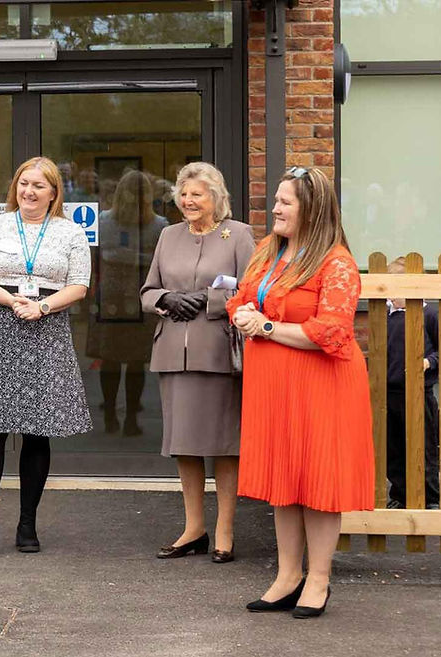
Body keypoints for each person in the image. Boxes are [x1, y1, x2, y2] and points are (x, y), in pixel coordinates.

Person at [229, 166, 374, 618]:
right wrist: (242, 315)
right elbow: (240, 297)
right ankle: (287, 576)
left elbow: (332, 332)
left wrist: (266, 325)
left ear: (311, 209)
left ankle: (319, 579)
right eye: (275, 199)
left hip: (322, 385)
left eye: (284, 202)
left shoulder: (336, 263)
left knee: (317, 482)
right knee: (283, 480)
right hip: (273, 384)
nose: (274, 208)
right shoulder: (268, 250)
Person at [0, 156, 92, 557]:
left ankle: (27, 525)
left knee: (38, 430)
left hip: (47, 328)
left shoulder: (70, 232)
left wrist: (43, 307)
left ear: (54, 193)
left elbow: (80, 284)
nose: (29, 192)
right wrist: (11, 300)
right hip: (1, 328)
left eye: (38, 185)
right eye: (23, 183)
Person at [140, 162, 254, 563]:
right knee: (183, 443)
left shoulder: (238, 234)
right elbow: (148, 290)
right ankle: (194, 528)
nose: (188, 201)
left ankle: (225, 528)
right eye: (184, 194)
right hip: (172, 349)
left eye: (197, 195)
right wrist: (165, 299)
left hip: (218, 352)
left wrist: (209, 301)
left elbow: (252, 289)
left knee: (224, 444)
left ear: (215, 197)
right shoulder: (168, 235)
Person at [88, 169, 169, 436]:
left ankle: (114, 415)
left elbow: (98, 257)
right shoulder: (159, 225)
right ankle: (127, 417)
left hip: (116, 294)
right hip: (137, 295)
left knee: (115, 359)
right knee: (130, 360)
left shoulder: (105, 221)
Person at [385, 256, 441, 510]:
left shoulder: (430, 314)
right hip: (390, 392)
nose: (389, 295)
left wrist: (429, 361)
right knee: (394, 448)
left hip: (420, 391)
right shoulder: (387, 316)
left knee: (424, 446)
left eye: (394, 288)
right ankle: (401, 494)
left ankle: (430, 498)